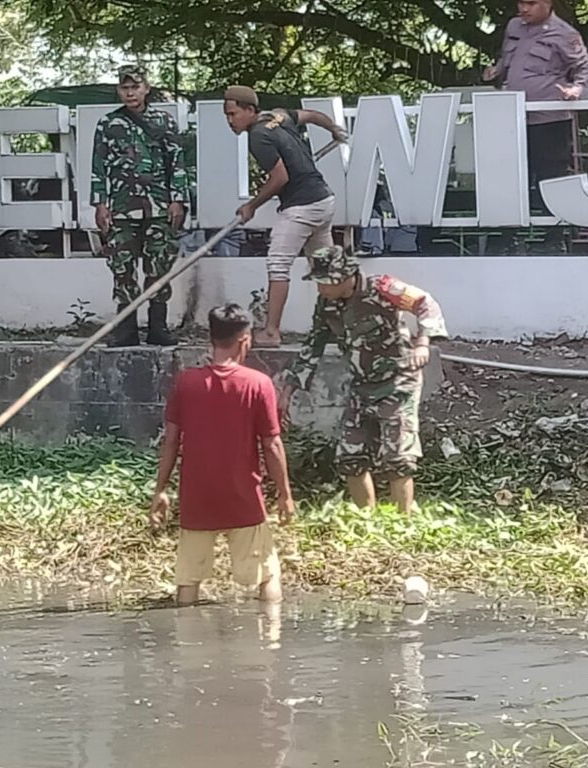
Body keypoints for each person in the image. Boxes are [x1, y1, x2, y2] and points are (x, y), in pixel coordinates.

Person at [277, 246, 447, 514]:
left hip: (398, 381)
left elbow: (425, 303)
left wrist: (423, 343)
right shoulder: (326, 304)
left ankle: (404, 522)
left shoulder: (383, 287)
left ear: (347, 275)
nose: (321, 288)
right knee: (350, 457)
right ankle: (366, 520)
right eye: (318, 282)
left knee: (398, 458)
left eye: (326, 282)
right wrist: (290, 387)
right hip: (360, 385)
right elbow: (314, 344)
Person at [149, 303, 296, 606]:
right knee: (267, 577)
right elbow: (271, 445)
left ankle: (187, 646)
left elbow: (171, 441)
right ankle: (270, 646)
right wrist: (284, 493)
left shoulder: (186, 382)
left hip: (197, 497)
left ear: (211, 339)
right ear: (245, 340)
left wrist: (161, 490)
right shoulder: (258, 384)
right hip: (243, 496)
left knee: (188, 583)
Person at [222, 85, 348, 348]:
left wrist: (252, 205)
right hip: (324, 200)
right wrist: (334, 129)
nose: (230, 120)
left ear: (249, 110)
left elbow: (280, 177)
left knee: (278, 264)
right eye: (227, 115)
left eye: (233, 114)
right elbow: (313, 115)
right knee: (325, 267)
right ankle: (341, 328)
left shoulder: (258, 136)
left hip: (302, 206)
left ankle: (271, 332)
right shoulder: (277, 116)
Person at [91, 64, 188, 347]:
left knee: (158, 268)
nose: (130, 92)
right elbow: (99, 166)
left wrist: (177, 199)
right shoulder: (108, 123)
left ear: (146, 88)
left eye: (135, 86)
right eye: (125, 87)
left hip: (159, 207)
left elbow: (177, 162)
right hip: (121, 209)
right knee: (122, 269)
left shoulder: (164, 121)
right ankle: (125, 330)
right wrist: (100, 203)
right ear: (118, 90)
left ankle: (158, 327)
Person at [483, 0, 588, 204]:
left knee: (550, 176)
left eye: (531, 3)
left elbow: (583, 69)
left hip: (548, 119)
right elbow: (509, 57)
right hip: (512, 117)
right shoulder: (514, 26)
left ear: (548, 3)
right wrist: (497, 70)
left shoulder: (565, 33)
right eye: (520, 3)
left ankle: (555, 230)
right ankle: (510, 231)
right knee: (509, 175)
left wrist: (575, 90)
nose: (524, 9)